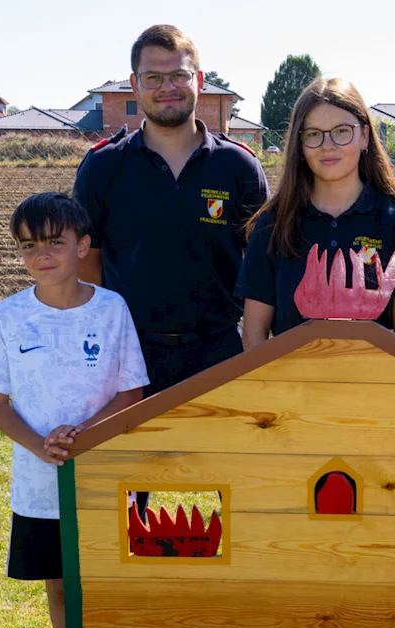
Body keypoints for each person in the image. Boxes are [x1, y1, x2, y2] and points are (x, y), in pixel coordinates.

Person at [0, 193, 148, 628]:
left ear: (83, 245)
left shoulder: (112, 309)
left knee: (112, 577)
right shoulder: (9, 316)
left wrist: (82, 437)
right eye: (28, 245)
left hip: (107, 474)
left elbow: (132, 394)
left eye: (54, 241)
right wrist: (40, 445)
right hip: (39, 483)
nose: (41, 254)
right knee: (60, 585)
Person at [73, 24, 268, 394]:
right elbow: (87, 263)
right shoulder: (103, 166)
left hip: (221, 351)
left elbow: (262, 263)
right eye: (153, 77)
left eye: (179, 75)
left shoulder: (239, 166)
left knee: (216, 453)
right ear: (135, 84)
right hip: (130, 356)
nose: (167, 87)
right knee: (136, 453)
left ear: (199, 79)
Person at [236, 77, 395, 348]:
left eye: (342, 131)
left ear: (364, 136)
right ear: (300, 144)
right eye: (314, 134)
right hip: (292, 389)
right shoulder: (273, 225)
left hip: (372, 390)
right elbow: (254, 337)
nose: (328, 145)